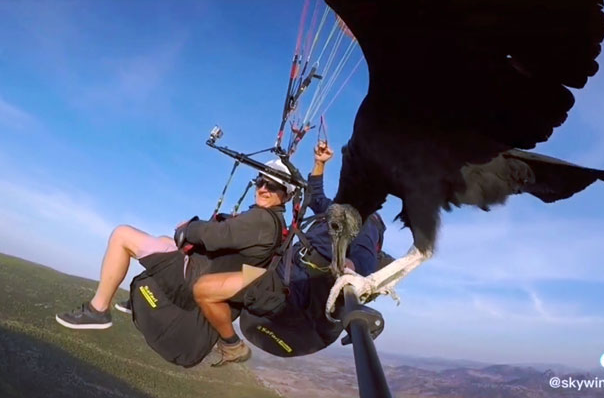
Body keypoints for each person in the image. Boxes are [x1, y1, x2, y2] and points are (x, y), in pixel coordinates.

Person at [194, 141, 390, 365]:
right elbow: (315, 196)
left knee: (205, 289)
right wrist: (319, 163)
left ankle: (232, 346)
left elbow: (363, 264)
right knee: (226, 261)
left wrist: (350, 268)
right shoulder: (339, 210)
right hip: (282, 273)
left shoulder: (365, 225)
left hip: (293, 291)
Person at [55, 159, 295, 333]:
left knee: (122, 235)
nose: (263, 188)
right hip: (210, 274)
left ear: (286, 195)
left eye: (272, 186)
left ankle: (98, 310)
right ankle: (143, 298)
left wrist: (188, 228)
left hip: (195, 279)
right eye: (261, 182)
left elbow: (214, 235)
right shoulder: (273, 224)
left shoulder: (262, 220)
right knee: (162, 241)